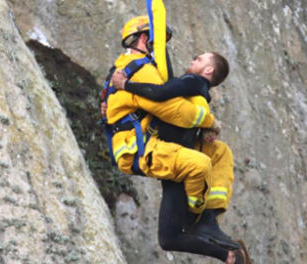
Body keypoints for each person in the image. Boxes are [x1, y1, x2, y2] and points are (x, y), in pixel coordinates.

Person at [102, 15, 249, 263]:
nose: (160, 50)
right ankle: (197, 217)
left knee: (220, 152)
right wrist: (210, 121)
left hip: (156, 140)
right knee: (200, 164)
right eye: (158, 43)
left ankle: (218, 237)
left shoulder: (132, 66)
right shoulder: (140, 70)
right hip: (141, 147)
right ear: (146, 39)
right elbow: (175, 111)